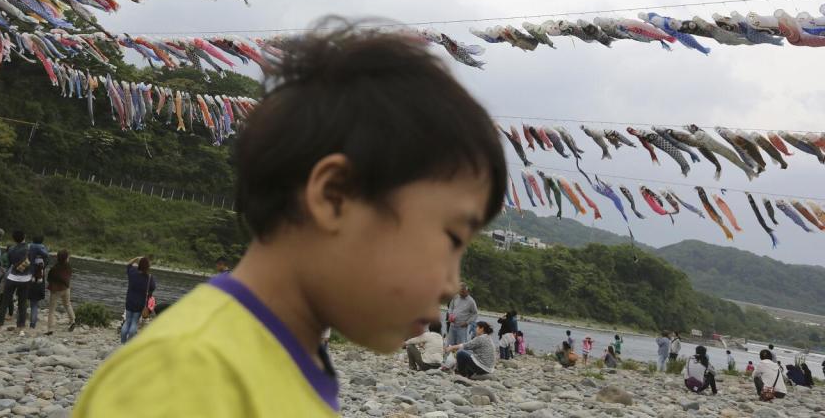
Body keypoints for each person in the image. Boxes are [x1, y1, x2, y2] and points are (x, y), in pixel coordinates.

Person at [72, 23, 508, 417]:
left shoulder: (285, 358)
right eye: (451, 237)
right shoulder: (186, 377)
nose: (452, 284)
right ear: (335, 198)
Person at [0, 230, 31, 333]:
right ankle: (20, 328)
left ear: (14, 239)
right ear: (24, 237)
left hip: (12, 277)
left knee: (4, 302)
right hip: (25, 279)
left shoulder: (11, 250)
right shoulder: (28, 248)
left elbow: (10, 262)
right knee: (22, 303)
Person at [120, 256, 156, 344]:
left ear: (139, 265)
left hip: (129, 301)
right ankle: (128, 344)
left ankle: (123, 343)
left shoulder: (132, 272)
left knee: (127, 322)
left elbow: (128, 264)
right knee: (134, 322)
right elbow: (153, 288)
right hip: (140, 304)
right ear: (147, 267)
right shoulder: (150, 278)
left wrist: (136, 258)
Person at [46, 249, 76, 335]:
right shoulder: (68, 267)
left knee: (52, 309)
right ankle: (73, 321)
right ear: (66, 258)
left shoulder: (54, 268)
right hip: (66, 289)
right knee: (67, 304)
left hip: (55, 290)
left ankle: (50, 329)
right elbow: (69, 276)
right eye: (68, 257)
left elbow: (49, 278)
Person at [27, 235, 50, 330]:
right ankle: (32, 324)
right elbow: (47, 263)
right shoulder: (45, 252)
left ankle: (20, 322)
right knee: (34, 303)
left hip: (28, 278)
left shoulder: (29, 249)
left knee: (22, 300)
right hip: (40, 280)